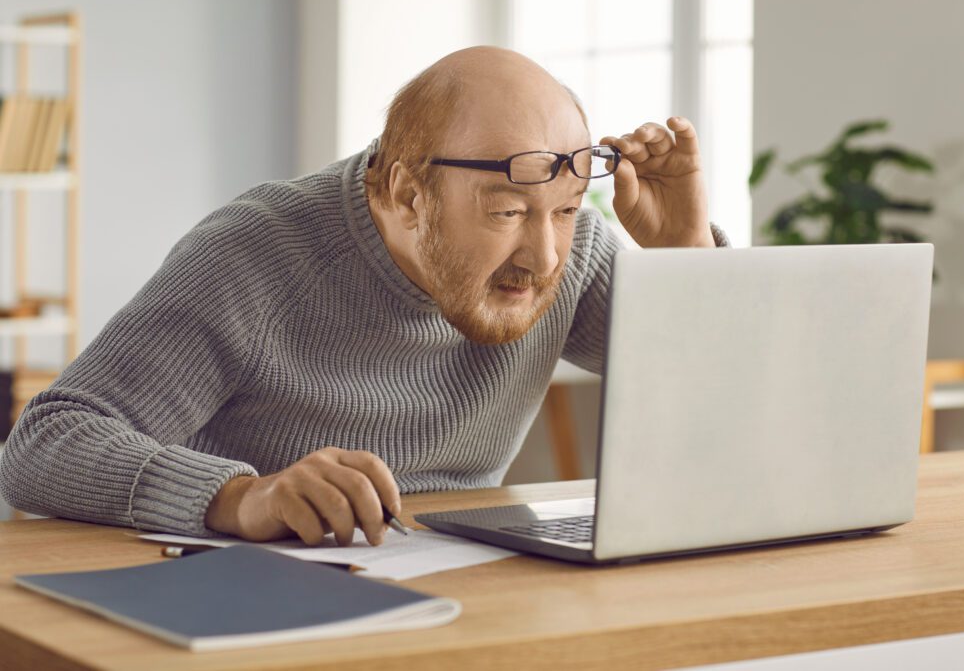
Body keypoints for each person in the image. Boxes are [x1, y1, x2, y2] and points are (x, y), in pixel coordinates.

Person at [0, 47, 728, 546]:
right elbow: (46, 441)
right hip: (238, 593)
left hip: (459, 582)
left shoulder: (570, 255)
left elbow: (717, 388)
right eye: (507, 212)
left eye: (567, 210)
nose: (543, 256)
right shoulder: (258, 254)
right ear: (409, 192)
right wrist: (242, 497)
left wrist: (686, 255)